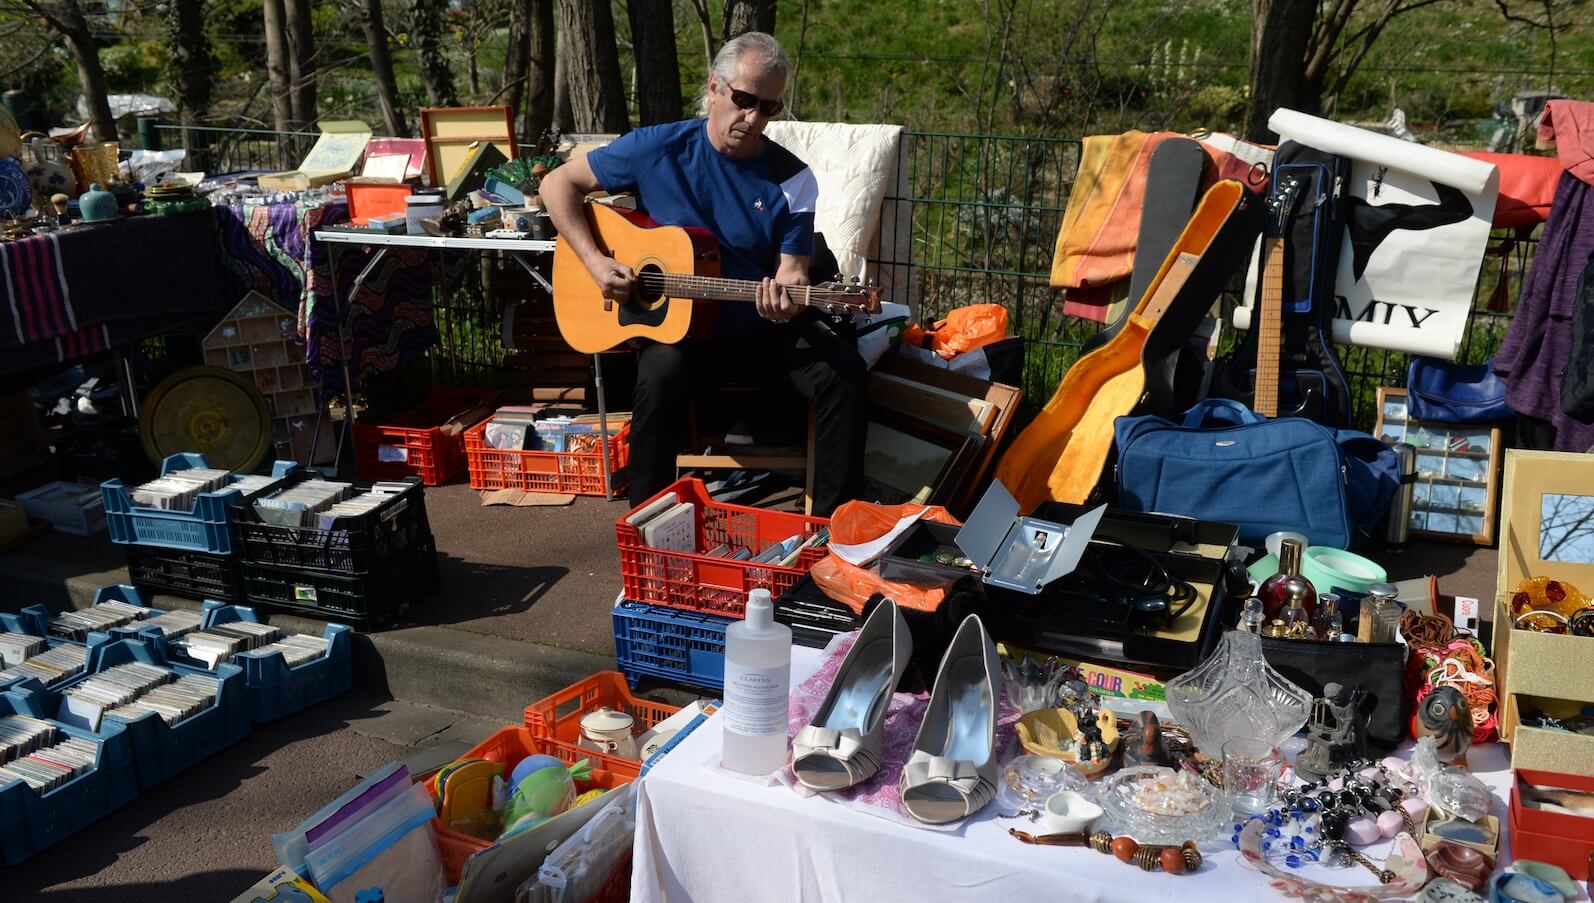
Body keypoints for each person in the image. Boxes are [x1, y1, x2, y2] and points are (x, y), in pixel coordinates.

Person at [541, 31, 866, 515]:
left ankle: (833, 533)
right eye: (744, 100)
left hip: (758, 334)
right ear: (714, 87)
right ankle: (646, 528)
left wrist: (786, 300)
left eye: (769, 108)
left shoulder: (794, 179)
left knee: (845, 372)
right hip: (680, 335)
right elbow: (556, 184)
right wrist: (595, 261)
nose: (754, 119)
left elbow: (794, 273)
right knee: (659, 374)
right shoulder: (658, 147)